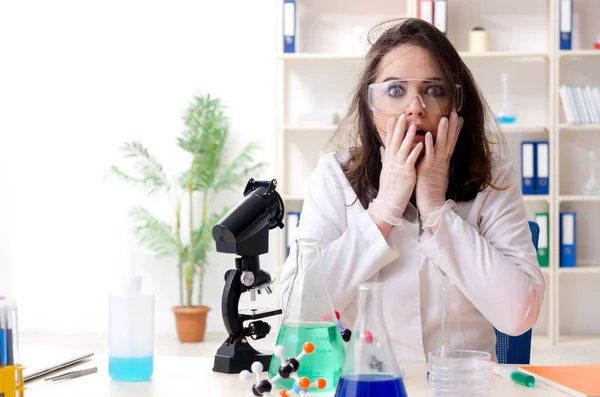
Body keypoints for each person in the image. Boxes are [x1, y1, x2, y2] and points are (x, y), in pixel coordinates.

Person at [277, 17, 545, 362]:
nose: (415, 107)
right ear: (371, 108)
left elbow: (519, 314)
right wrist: (385, 208)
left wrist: (435, 209)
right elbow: (298, 312)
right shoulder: (334, 176)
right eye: (395, 90)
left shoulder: (491, 176)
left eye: (434, 90)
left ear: (456, 105)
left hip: (460, 384)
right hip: (368, 382)